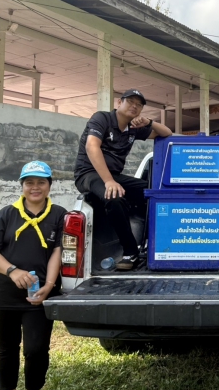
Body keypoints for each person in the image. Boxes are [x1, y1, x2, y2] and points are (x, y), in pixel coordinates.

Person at [0, 161, 66, 390]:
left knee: (37, 349)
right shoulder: (7, 214)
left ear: (49, 185)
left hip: (39, 295)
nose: (35, 187)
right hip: (3, 295)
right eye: (29, 182)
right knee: (6, 348)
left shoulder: (59, 214)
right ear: (22, 186)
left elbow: (57, 251)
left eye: (41, 182)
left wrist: (49, 285)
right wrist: (12, 271)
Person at [74, 89, 172, 270]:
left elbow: (166, 134)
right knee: (114, 195)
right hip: (88, 173)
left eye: (139, 105)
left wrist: (149, 122)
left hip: (113, 176)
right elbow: (91, 146)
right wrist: (109, 181)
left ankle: (157, 243)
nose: (134, 106)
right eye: (130, 102)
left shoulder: (133, 129)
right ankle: (130, 252)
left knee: (153, 191)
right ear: (119, 102)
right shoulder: (102, 118)